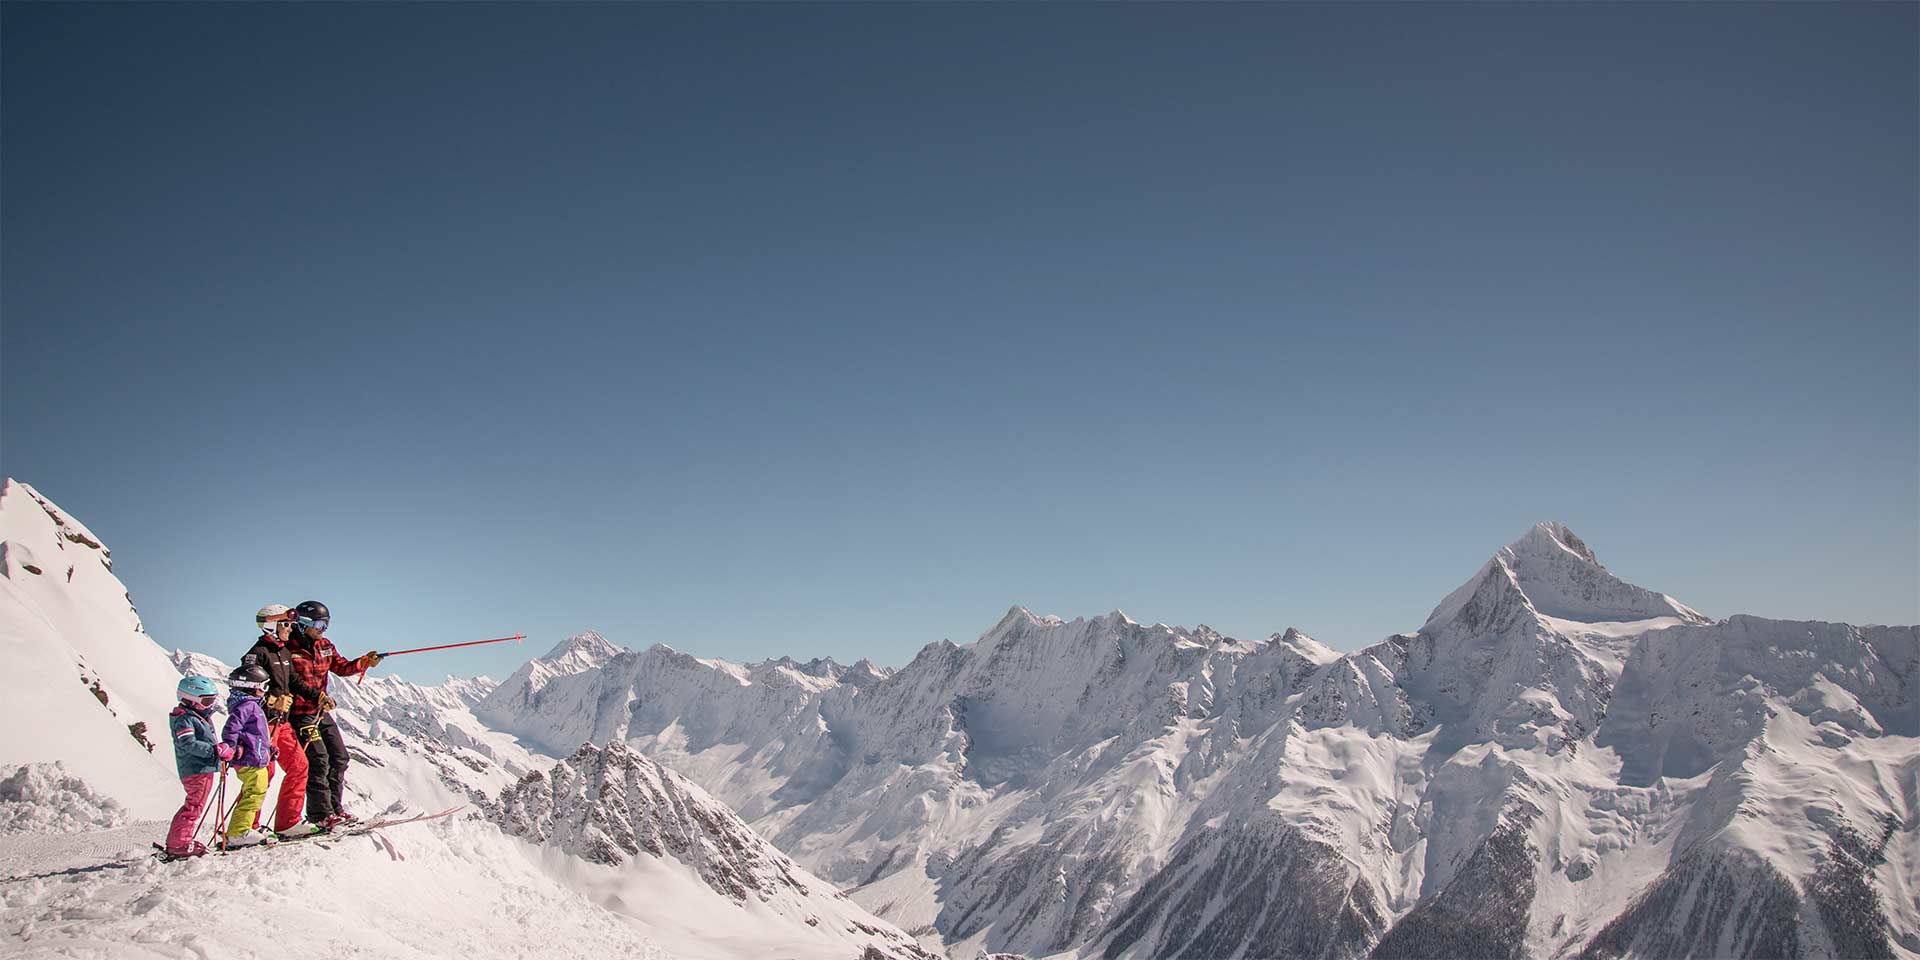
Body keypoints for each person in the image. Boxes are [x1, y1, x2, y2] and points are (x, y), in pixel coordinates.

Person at [286, 600, 383, 830]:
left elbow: (341, 667)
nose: (323, 630)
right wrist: (315, 697)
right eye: (319, 624)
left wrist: (364, 662)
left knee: (339, 757)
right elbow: (291, 681)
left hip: (320, 711)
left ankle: (334, 808)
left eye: (326, 625)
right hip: (300, 714)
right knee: (318, 761)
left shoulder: (325, 646)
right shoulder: (288, 649)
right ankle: (320, 814)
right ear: (302, 623)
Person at [241, 603, 316, 836]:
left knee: (299, 766)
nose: (290, 628)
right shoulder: (258, 654)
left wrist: (318, 696)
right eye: (286, 624)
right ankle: (248, 827)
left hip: (282, 723)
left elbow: (293, 682)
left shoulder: (283, 652)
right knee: (264, 774)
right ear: (272, 625)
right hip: (262, 724)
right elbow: (243, 689)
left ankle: (287, 823)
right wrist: (269, 702)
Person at [163, 675, 229, 858]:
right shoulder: (185, 719)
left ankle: (183, 840)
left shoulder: (197, 716)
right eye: (207, 701)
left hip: (201, 768)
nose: (210, 705)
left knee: (195, 805)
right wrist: (215, 751)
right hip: (196, 769)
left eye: (213, 701)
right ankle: (179, 844)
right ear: (191, 699)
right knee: (194, 806)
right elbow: (188, 744)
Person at [221, 663, 278, 848]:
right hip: (249, 760)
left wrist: (269, 749)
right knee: (254, 793)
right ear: (252, 687)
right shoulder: (247, 706)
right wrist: (230, 746)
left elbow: (257, 734)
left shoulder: (252, 705)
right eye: (263, 686)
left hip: (256, 757)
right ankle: (238, 832)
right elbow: (232, 727)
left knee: (256, 792)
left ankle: (242, 829)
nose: (265, 691)